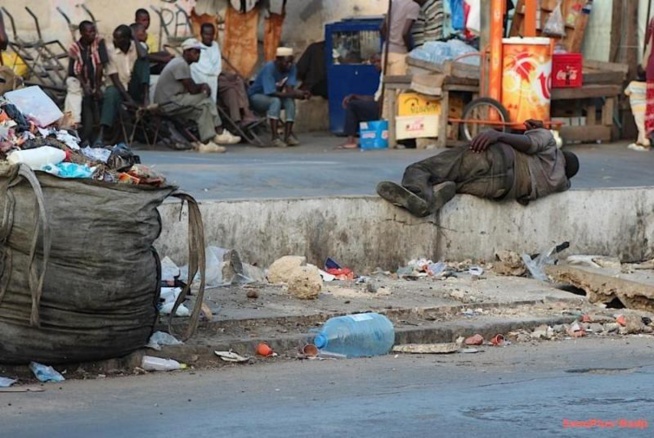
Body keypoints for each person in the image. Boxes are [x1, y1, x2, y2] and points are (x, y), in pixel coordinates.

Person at [376, 120, 580, 217]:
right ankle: (433, 198)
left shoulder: (551, 145)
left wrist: (498, 135)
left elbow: (529, 144)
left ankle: (418, 195)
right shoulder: (559, 183)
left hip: (494, 158)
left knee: (422, 168)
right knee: (450, 181)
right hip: (498, 189)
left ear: (562, 154)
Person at [153, 38, 241, 153]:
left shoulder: (182, 63)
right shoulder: (180, 64)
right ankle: (219, 132)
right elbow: (193, 90)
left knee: (202, 111)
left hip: (175, 100)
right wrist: (203, 86)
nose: (198, 55)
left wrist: (202, 86)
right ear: (186, 52)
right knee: (205, 99)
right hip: (169, 102)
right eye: (195, 52)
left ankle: (207, 142)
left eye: (199, 52)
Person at [191, 23, 259, 129]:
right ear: (201, 34)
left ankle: (239, 118)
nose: (209, 37)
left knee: (234, 85)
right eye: (206, 34)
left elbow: (217, 65)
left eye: (211, 34)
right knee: (234, 82)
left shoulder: (215, 45)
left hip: (217, 76)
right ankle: (246, 113)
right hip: (206, 78)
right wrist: (223, 75)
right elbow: (207, 69)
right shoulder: (199, 49)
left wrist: (224, 75)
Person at [96, 24, 150, 146]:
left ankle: (146, 97)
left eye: (119, 38)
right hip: (118, 88)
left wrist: (134, 38)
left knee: (143, 62)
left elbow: (144, 55)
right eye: (114, 37)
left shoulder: (137, 47)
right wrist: (129, 100)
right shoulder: (110, 51)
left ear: (127, 39)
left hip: (133, 85)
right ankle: (102, 133)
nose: (115, 41)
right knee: (111, 92)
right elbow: (115, 79)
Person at [248, 47, 310, 147]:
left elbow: (289, 90)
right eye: (286, 62)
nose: (289, 65)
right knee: (275, 101)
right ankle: (275, 137)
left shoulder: (292, 67)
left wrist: (301, 94)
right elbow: (271, 92)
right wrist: (296, 95)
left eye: (291, 62)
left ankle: (288, 135)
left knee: (289, 101)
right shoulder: (269, 68)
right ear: (278, 60)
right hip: (257, 97)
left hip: (275, 95)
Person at [64, 21, 108, 141]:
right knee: (74, 92)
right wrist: (85, 86)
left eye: (93, 31)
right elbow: (75, 70)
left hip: (95, 77)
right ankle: (74, 123)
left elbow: (100, 66)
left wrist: (97, 87)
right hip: (77, 78)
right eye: (89, 32)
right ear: (82, 33)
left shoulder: (99, 43)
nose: (92, 34)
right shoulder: (75, 48)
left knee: (105, 94)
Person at [340, 54, 382, 149]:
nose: (376, 65)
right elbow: (376, 97)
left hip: (382, 108)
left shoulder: (386, 75)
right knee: (354, 102)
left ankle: (351, 139)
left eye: (378, 62)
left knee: (352, 106)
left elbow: (379, 100)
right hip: (377, 104)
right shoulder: (382, 75)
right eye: (374, 62)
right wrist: (357, 96)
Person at [381, 0, 426, 75]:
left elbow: (382, 28)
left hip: (386, 52)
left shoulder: (394, 3)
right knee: (400, 85)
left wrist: (390, 42)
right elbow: (405, 33)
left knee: (387, 85)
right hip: (400, 54)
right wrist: (410, 50)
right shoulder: (413, 6)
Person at [135, 8, 173, 74]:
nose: (146, 23)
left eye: (148, 20)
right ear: (136, 20)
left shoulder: (150, 36)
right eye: (143, 20)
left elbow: (153, 53)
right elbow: (143, 55)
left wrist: (165, 55)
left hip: (150, 64)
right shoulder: (134, 35)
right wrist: (163, 59)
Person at [625, 67, 650, 151]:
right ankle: (639, 141)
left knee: (640, 126)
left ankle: (645, 142)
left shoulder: (632, 84)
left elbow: (626, 92)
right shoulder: (647, 85)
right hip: (646, 107)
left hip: (637, 108)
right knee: (642, 124)